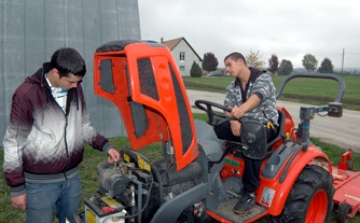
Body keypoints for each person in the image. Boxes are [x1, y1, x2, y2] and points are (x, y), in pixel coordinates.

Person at [2, 47, 121, 223]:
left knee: (71, 220)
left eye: (79, 82)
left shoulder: (76, 90)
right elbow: (14, 142)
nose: (76, 86)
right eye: (72, 82)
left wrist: (106, 146)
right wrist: (17, 187)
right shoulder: (26, 94)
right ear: (56, 72)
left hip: (72, 179)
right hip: (39, 185)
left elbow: (84, 126)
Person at [214, 52, 279, 214]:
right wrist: (233, 120)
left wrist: (240, 111)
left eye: (229, 65)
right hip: (242, 124)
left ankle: (250, 191)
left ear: (240, 62)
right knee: (215, 128)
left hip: (266, 126)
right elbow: (228, 108)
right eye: (226, 66)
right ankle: (212, 172)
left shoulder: (262, 79)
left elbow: (257, 97)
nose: (227, 69)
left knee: (252, 135)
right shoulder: (232, 86)